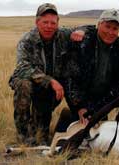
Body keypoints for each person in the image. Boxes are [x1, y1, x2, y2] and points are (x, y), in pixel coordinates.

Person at [9, 3, 85, 146]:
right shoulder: (27, 40)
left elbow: (87, 29)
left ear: (57, 23)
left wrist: (81, 30)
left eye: (52, 23)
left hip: (50, 88)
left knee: (41, 134)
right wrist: (50, 81)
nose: (49, 26)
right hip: (33, 81)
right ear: (37, 22)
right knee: (23, 84)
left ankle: (40, 130)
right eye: (45, 22)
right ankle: (23, 134)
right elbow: (23, 67)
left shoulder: (63, 34)